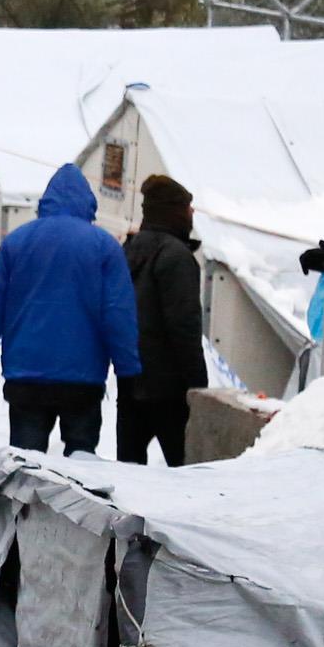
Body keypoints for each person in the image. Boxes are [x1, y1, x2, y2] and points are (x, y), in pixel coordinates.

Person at [0, 161, 140, 456]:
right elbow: (118, 313)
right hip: (82, 381)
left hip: (27, 379)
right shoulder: (104, 247)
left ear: (45, 202)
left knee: (27, 465)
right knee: (81, 466)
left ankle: (26, 504)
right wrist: (128, 370)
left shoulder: (17, 242)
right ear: (89, 204)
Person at [117, 172, 206, 466]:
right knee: (185, 475)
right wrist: (197, 385)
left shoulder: (128, 250)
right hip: (168, 387)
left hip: (130, 381)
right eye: (186, 206)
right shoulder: (176, 257)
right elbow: (184, 326)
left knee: (129, 476)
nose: (192, 212)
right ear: (173, 211)